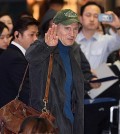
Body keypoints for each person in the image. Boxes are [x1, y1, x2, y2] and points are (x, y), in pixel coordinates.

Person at [25, 9, 100, 134]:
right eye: (67, 28)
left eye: (75, 29)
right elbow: (30, 56)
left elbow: (79, 80)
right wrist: (47, 46)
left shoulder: (73, 50)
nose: (72, 33)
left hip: (73, 121)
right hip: (48, 122)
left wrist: (91, 79)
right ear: (55, 27)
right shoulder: (43, 45)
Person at [75, 1, 120, 134]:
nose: (92, 19)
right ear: (81, 18)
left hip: (97, 91)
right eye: (88, 15)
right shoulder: (71, 40)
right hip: (76, 90)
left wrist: (117, 25)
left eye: (96, 16)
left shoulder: (105, 40)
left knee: (114, 69)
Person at [0, 17, 39, 108]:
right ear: (17, 35)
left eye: (37, 34)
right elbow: (26, 92)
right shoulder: (15, 58)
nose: (36, 39)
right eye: (31, 35)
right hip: (12, 116)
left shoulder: (13, 54)